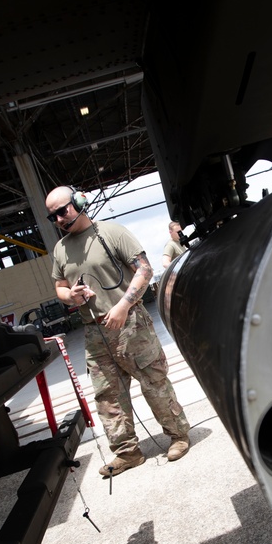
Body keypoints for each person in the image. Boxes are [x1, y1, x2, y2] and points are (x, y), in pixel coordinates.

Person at [46, 185, 191, 477]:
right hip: (94, 331)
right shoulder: (61, 249)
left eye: (63, 211)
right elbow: (59, 287)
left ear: (79, 202)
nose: (60, 220)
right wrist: (70, 296)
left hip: (130, 324)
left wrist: (124, 304)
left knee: (153, 381)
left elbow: (145, 270)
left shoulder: (112, 232)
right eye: (53, 217)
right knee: (107, 395)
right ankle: (128, 453)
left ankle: (178, 436)